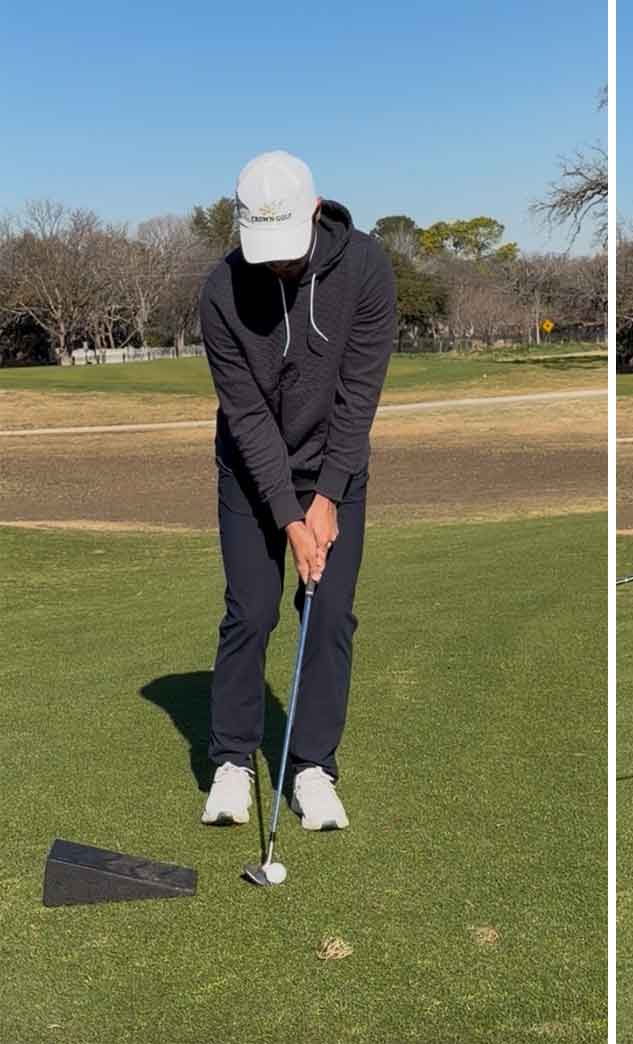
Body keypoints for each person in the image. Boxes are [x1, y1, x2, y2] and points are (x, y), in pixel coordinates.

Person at [197, 150, 396, 831]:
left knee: (329, 613)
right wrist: (289, 515)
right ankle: (231, 760)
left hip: (336, 468)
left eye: (287, 248)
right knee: (250, 611)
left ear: (316, 212)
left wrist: (328, 496)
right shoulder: (220, 292)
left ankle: (312, 768)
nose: (276, 265)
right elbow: (246, 416)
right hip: (250, 475)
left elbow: (358, 395)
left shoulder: (367, 269)